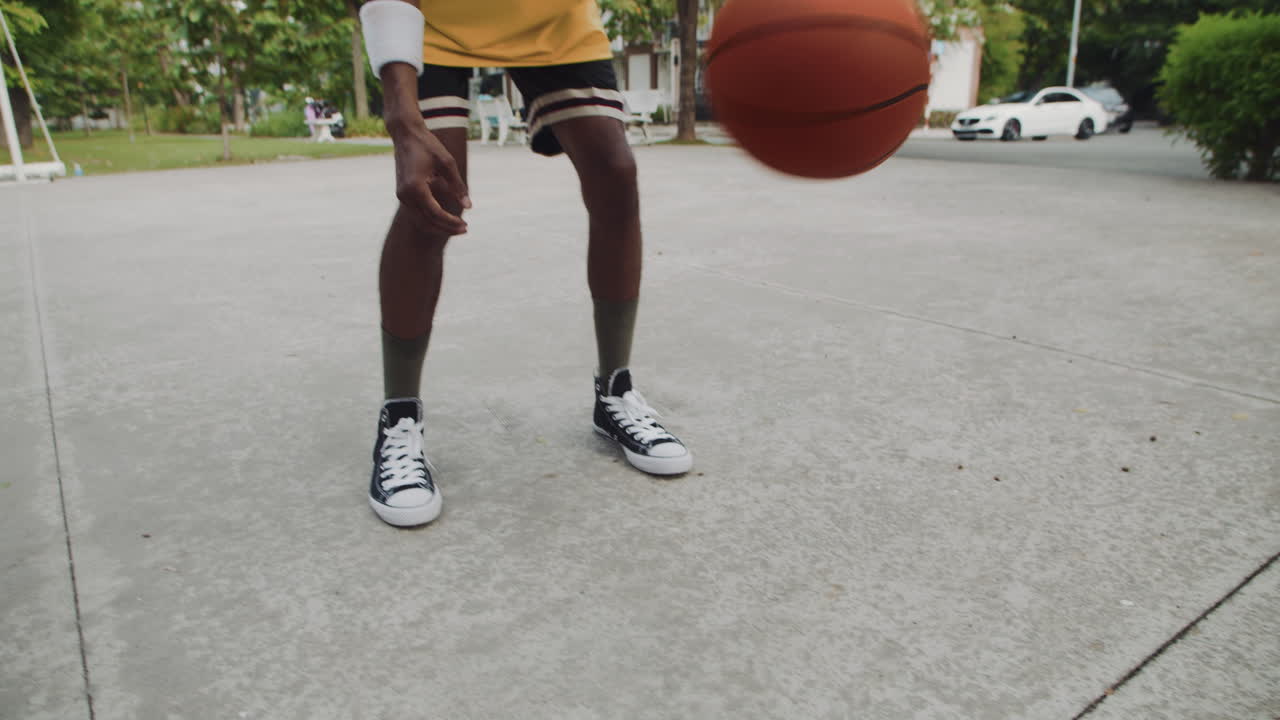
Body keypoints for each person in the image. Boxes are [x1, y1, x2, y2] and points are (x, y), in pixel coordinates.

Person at [360, 0, 693, 527]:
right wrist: (401, 113)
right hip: (432, 20)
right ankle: (399, 417)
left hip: (554, 20)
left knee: (615, 175)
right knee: (435, 198)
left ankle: (615, 393)